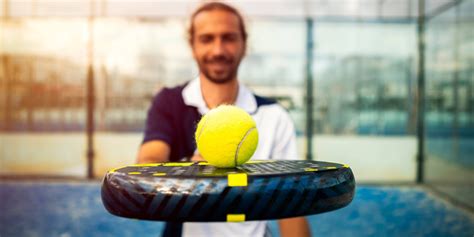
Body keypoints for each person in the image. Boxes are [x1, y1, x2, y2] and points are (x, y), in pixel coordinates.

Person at [137, 2, 311, 237]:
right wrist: (189, 170)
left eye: (228, 38)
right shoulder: (168, 102)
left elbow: (291, 206)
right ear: (192, 45)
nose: (218, 50)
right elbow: (148, 161)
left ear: (244, 44)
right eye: (207, 39)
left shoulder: (275, 115)